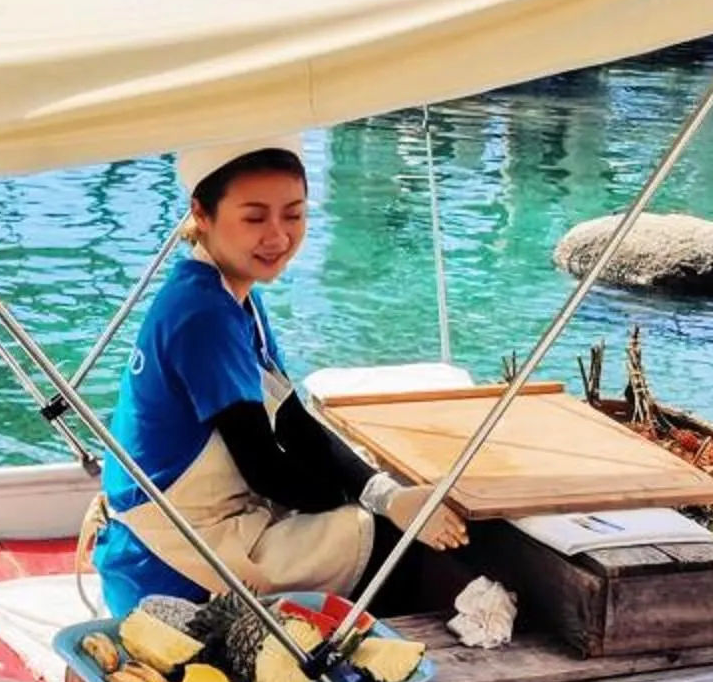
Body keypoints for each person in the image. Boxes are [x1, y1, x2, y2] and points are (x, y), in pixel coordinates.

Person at [91, 136, 468, 617]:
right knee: (387, 540)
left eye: (293, 214)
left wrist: (383, 490)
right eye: (254, 217)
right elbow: (265, 466)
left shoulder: (232, 293)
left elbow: (293, 422)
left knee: (371, 499)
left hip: (205, 522)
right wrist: (376, 507)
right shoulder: (203, 313)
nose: (278, 236)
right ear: (201, 215)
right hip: (171, 557)